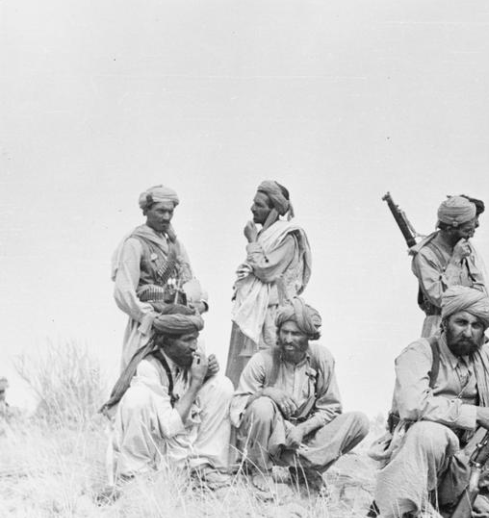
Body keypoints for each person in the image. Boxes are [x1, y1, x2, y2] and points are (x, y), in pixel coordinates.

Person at [372, 286, 489, 518]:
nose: (468, 332)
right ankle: (406, 507)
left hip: (465, 461)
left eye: (476, 326)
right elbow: (413, 405)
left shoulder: (488, 358)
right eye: (461, 322)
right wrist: (477, 414)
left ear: (484, 331)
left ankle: (472, 494)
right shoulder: (420, 352)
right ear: (445, 323)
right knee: (428, 432)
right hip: (418, 457)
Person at [230, 298, 369, 497]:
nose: (288, 339)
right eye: (284, 332)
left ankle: (305, 471)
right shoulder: (262, 360)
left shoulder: (322, 359)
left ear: (309, 336)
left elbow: (331, 408)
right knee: (262, 406)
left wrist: (302, 429)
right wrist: (266, 392)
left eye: (295, 334)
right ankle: (260, 469)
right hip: (272, 437)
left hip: (304, 438)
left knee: (359, 422)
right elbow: (237, 406)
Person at [101, 305, 234, 488]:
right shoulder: (149, 367)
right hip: (156, 450)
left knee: (221, 385)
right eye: (187, 340)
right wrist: (196, 382)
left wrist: (205, 376)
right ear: (166, 341)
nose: (194, 346)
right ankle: (134, 479)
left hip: (181, 448)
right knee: (136, 397)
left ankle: (203, 468)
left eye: (195, 338)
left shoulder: (191, 353)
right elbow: (169, 427)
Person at [226, 180, 312, 388]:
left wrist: (252, 242)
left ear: (275, 209)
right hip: (254, 310)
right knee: (243, 371)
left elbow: (266, 270)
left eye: (259, 205)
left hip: (273, 314)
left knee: (268, 369)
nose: (252, 208)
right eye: (253, 203)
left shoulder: (288, 236)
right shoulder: (265, 234)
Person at [112, 185, 207, 369]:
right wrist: (149, 318)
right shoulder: (135, 243)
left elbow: (190, 281)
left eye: (170, 212)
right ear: (146, 211)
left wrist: (200, 303)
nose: (166, 217)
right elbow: (123, 292)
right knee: (144, 373)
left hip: (180, 327)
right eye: (161, 211)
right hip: (150, 327)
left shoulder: (176, 245)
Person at [411, 196, 487, 338]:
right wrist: (455, 260)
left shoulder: (465, 248)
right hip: (438, 332)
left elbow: (481, 292)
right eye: (467, 230)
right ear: (450, 229)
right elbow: (441, 298)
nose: (472, 233)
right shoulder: (425, 255)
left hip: (470, 330)